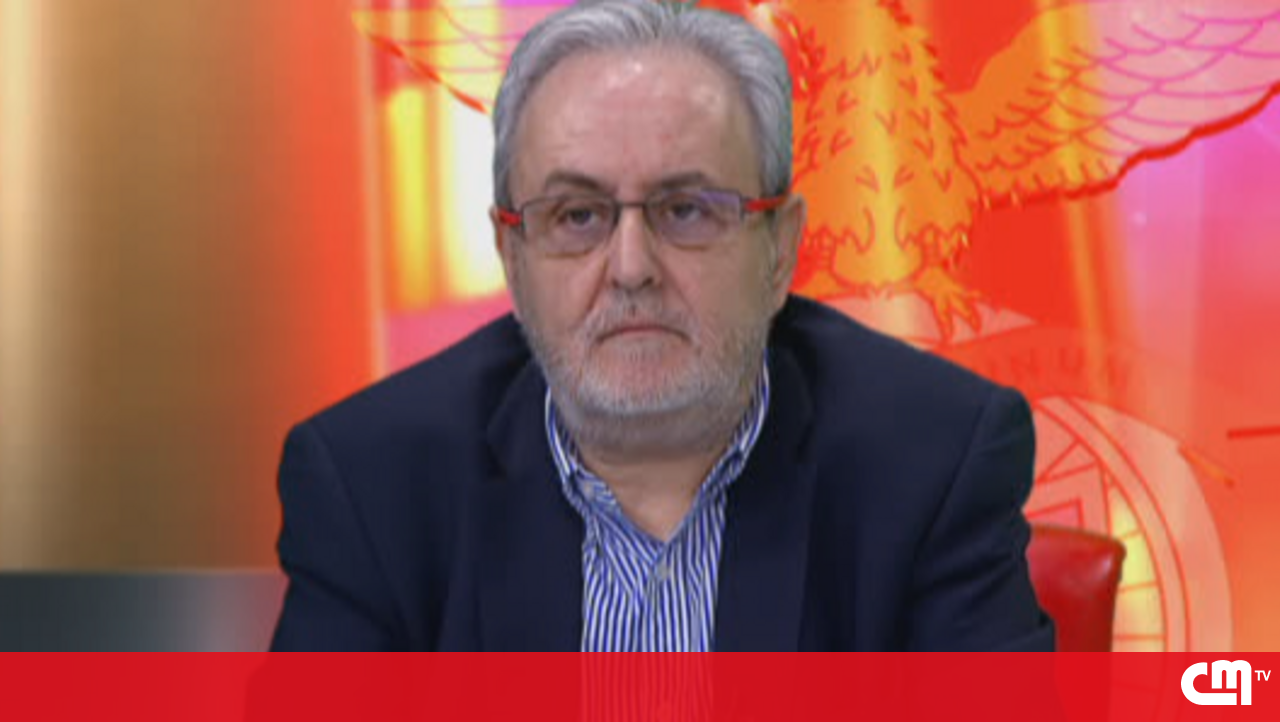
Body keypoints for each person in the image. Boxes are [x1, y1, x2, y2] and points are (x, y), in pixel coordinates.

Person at [270, 0, 1053, 651]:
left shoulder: (935, 461)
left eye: (686, 210)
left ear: (780, 250)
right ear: (512, 256)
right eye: (577, 216)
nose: (631, 266)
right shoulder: (371, 485)